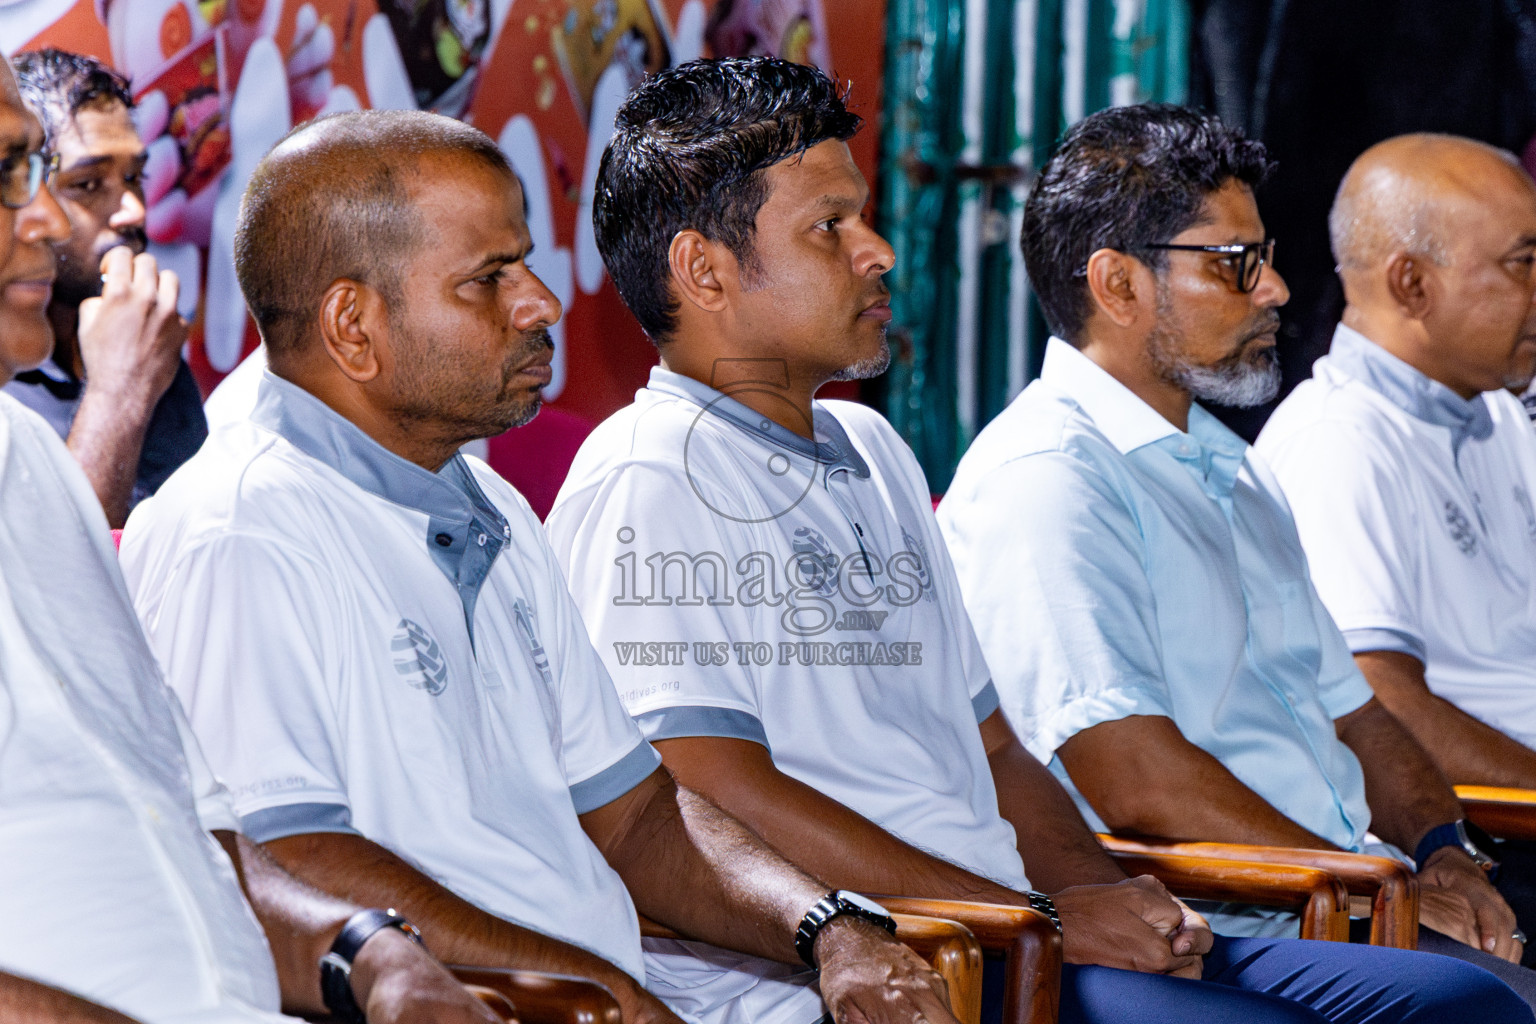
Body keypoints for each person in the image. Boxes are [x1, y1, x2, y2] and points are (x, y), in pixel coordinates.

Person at [543, 57, 1531, 1024]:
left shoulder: (872, 449)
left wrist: (1094, 891)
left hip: (1009, 930)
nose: (879, 250)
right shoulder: (653, 472)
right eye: (829, 227)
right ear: (703, 269)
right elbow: (708, 789)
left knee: (1466, 1001)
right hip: (876, 959)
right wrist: (1034, 915)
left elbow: (1001, 750)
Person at [121, 107, 956, 1024]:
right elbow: (288, 865)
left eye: (524, 262)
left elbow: (639, 818)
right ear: (352, 327)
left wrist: (826, 926)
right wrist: (611, 996)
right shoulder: (241, 528)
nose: (542, 302)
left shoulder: (494, 506)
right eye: (488, 279)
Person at [936, 103, 1536, 999]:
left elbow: (1359, 713)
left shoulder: (1231, 468)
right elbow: (1134, 773)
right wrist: (1369, 883)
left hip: (1332, 890)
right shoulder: (1050, 476)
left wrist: (1441, 850)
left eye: (1267, 257)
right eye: (1235, 263)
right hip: (1199, 917)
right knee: (1479, 1001)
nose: (1277, 290)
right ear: (1118, 285)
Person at [0, 52, 508, 1024]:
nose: (48, 219)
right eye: (20, 175)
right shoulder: (172, 472)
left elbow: (200, 840)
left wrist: (365, 952)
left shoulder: (27, 459)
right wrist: (114, 395)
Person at [1255, 133, 1536, 967]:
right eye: (1523, 264)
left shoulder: (1496, 415)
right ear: (1412, 282)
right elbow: (1380, 703)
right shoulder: (1340, 442)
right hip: (1488, 833)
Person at [4, 49, 204, 528]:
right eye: (90, 184)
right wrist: (119, 393)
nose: (133, 209)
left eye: (134, 177)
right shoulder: (11, 385)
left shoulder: (151, 338)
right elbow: (60, 581)